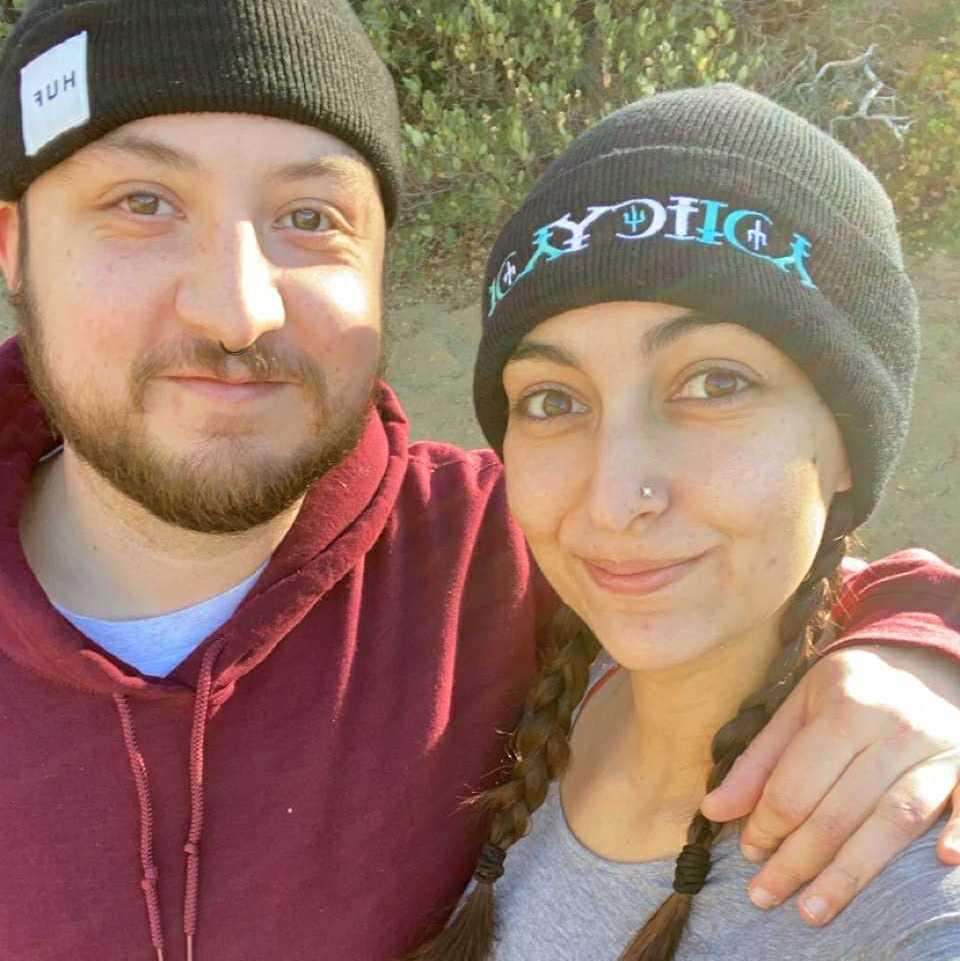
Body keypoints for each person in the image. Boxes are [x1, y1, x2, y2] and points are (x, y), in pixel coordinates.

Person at [0, 4, 957, 960]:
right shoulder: (549, 547)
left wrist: (918, 645)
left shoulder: (502, 549)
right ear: (13, 245)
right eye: (142, 203)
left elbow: (779, 561)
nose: (236, 309)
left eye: (311, 218)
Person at [406, 85, 960, 961]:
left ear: (848, 444)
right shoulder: (554, 674)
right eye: (553, 400)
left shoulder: (915, 896)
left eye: (715, 384)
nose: (614, 497)